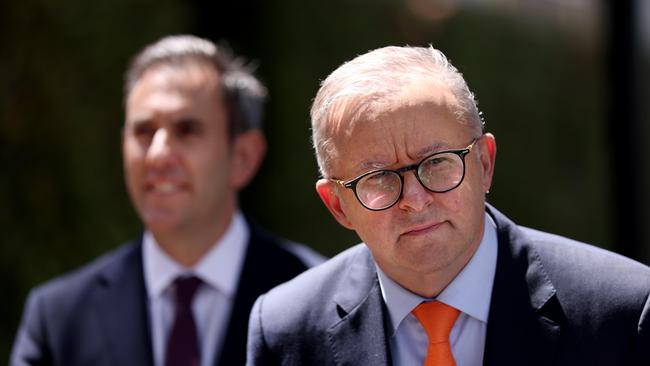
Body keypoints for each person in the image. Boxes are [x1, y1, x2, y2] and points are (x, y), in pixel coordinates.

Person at [246, 45, 650, 366]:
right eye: (378, 178)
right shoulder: (286, 328)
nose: (415, 200)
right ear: (337, 206)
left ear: (484, 164)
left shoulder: (623, 312)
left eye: (436, 164)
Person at [11, 35, 323, 366]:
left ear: (243, 157)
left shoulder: (320, 300)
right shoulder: (58, 318)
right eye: (143, 131)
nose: (158, 154)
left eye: (187, 130)